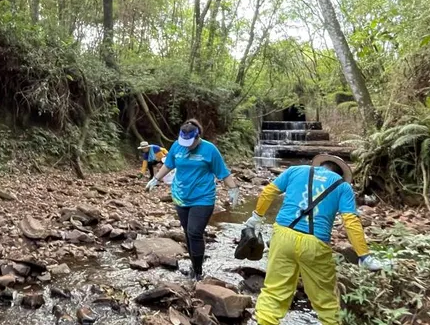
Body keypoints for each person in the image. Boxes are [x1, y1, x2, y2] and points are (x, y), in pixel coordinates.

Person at [245, 154, 386, 325]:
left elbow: (268, 192)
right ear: (340, 174)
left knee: (274, 291)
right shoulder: (342, 186)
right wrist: (364, 256)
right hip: (315, 243)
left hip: (282, 235)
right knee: (326, 301)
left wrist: (257, 217)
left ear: (321, 165)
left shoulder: (294, 171)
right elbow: (351, 222)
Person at [146, 119, 239, 281]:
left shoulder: (210, 150)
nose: (186, 146)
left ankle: (197, 272)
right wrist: (155, 179)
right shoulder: (177, 146)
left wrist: (233, 189)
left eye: (190, 143)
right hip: (181, 197)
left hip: (203, 197)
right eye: (184, 142)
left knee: (194, 232)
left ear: (198, 137)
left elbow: (222, 172)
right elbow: (169, 164)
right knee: (188, 233)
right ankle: (194, 263)